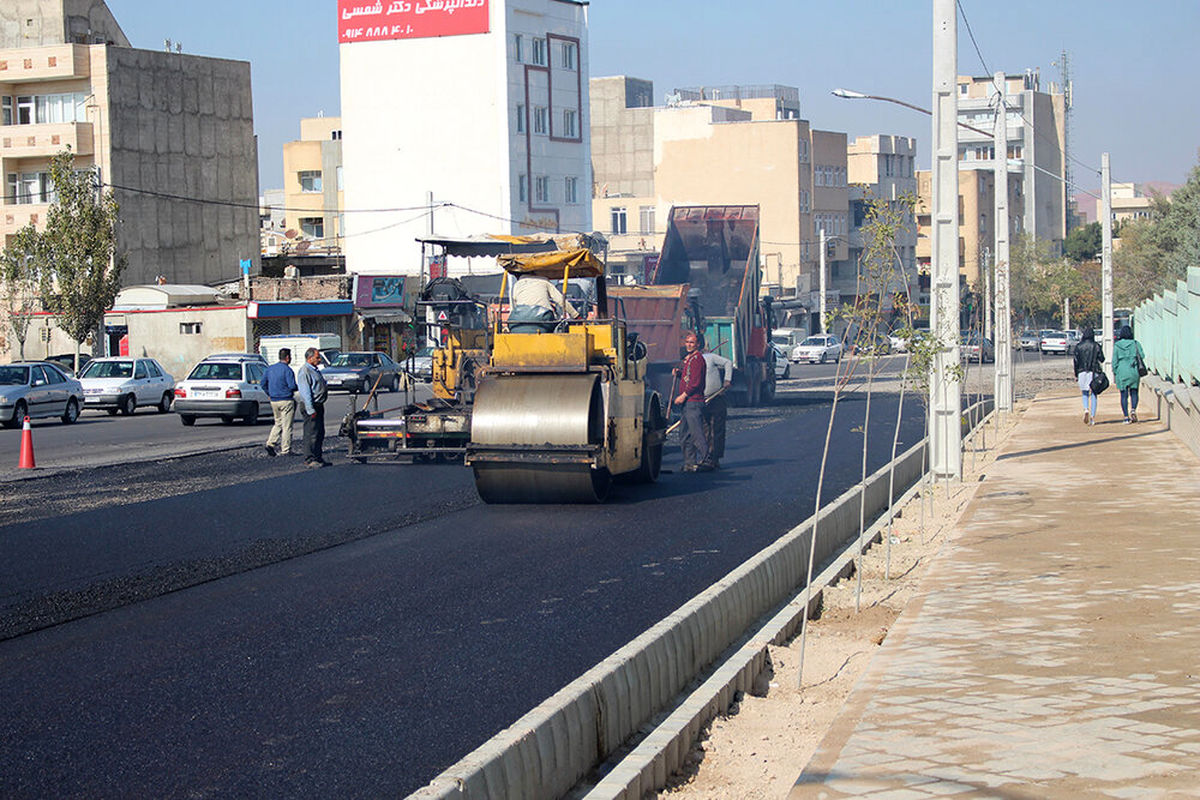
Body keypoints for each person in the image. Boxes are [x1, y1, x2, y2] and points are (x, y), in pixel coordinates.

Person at [674, 331, 711, 472]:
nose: (688, 345)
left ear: (698, 344)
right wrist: (679, 374)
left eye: (692, 343)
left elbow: (695, 383)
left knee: (696, 434)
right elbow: (688, 377)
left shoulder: (697, 359)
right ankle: (690, 462)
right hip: (687, 403)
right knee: (685, 434)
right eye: (687, 342)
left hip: (693, 401)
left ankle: (707, 460)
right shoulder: (690, 359)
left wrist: (683, 395)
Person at [700, 334, 734, 467]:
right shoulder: (690, 361)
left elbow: (728, 363)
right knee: (704, 430)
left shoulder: (710, 357)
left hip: (716, 398)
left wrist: (727, 380)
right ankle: (706, 456)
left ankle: (715, 458)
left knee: (717, 429)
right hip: (701, 400)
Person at [508, 273, 578, 333]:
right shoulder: (544, 281)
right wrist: (576, 315)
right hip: (543, 320)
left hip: (517, 321)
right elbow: (560, 300)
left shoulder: (516, 285)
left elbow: (512, 309)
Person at [261, 347, 299, 455]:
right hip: (286, 399)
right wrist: (296, 388)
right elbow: (292, 386)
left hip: (273, 400)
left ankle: (270, 443)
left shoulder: (270, 369)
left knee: (278, 423)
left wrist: (269, 393)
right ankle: (286, 449)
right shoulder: (287, 370)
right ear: (287, 358)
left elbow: (262, 383)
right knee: (287, 426)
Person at [297, 347, 329, 467]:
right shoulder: (305, 371)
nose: (319, 359)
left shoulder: (315, 370)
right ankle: (309, 458)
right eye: (317, 357)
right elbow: (305, 392)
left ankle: (318, 457)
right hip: (311, 406)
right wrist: (310, 409)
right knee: (311, 432)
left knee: (320, 432)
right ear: (310, 358)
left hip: (319, 405)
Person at [1112, 324, 1146, 424]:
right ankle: (1133, 409)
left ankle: (1126, 417)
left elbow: (1114, 361)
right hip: (1133, 370)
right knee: (1134, 392)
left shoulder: (1117, 345)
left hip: (1121, 371)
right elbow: (1142, 355)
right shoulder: (1135, 344)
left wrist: (1115, 372)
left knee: (1123, 395)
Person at [1072, 328, 1103, 426]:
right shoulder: (1096, 346)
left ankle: (1086, 409)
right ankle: (1093, 417)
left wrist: (1076, 374)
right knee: (1094, 393)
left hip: (1082, 371)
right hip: (1094, 372)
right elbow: (1102, 359)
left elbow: (1076, 361)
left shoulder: (1078, 346)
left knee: (1084, 392)